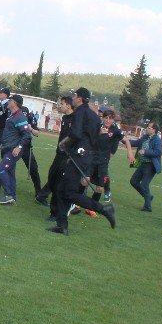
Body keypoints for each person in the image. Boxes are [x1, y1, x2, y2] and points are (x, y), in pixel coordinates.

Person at [48, 88, 116, 235]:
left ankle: (103, 209)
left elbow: (76, 133)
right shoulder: (94, 116)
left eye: (74, 95)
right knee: (62, 190)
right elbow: (95, 138)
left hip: (79, 156)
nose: (72, 98)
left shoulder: (80, 112)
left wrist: (65, 143)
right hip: (87, 157)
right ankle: (62, 225)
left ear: (79, 98)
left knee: (67, 192)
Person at [37, 96, 73, 219]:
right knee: (52, 177)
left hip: (67, 156)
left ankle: (56, 212)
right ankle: (42, 196)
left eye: (62, 104)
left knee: (59, 183)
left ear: (68, 105)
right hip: (59, 153)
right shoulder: (65, 118)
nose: (60, 105)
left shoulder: (75, 119)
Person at [0, 95, 34, 205]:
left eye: (10, 100)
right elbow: (10, 133)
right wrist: (2, 144)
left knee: (2, 169)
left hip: (14, 150)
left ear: (15, 103)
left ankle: (9, 194)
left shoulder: (20, 117)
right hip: (8, 148)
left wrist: (19, 147)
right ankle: (13, 196)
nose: (8, 101)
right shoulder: (12, 116)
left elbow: (27, 135)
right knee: (10, 172)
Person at [125, 122, 162, 212]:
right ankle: (148, 197)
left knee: (144, 185)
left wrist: (145, 152)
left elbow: (158, 152)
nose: (147, 129)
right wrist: (125, 140)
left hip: (150, 165)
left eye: (149, 128)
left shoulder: (157, 140)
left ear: (154, 130)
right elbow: (136, 143)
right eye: (147, 127)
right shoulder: (145, 137)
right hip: (142, 164)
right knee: (133, 181)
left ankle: (147, 207)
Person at [91, 109, 124, 204]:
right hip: (94, 156)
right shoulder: (98, 126)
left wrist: (112, 153)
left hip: (105, 155)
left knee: (104, 174)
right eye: (106, 117)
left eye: (110, 118)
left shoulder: (115, 129)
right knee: (87, 177)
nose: (108, 120)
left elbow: (118, 141)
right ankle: (80, 200)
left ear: (113, 119)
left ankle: (107, 191)